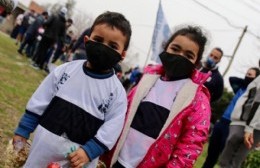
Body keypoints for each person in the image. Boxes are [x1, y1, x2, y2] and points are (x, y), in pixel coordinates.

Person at [12, 11, 132, 168]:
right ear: (87, 40)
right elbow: (39, 101)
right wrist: (23, 130)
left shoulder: (117, 93)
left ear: (122, 55)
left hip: (77, 161)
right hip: (42, 150)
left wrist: (89, 151)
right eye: (98, 40)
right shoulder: (64, 71)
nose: (103, 47)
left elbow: (112, 128)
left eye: (113, 46)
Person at [100, 25, 211, 168]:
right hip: (116, 161)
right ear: (165, 49)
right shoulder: (147, 80)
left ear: (196, 63)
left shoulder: (197, 99)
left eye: (188, 55)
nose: (179, 56)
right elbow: (123, 115)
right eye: (175, 49)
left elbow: (190, 145)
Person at [202, 67, 260, 168]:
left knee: (226, 155)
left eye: (250, 75)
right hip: (222, 121)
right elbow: (232, 79)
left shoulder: (253, 92)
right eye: (246, 73)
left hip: (233, 125)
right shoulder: (240, 88)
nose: (247, 76)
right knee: (211, 153)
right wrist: (248, 80)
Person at [219, 69, 260, 168]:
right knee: (226, 157)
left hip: (256, 128)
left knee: (237, 161)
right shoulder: (256, 80)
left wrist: (250, 128)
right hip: (240, 121)